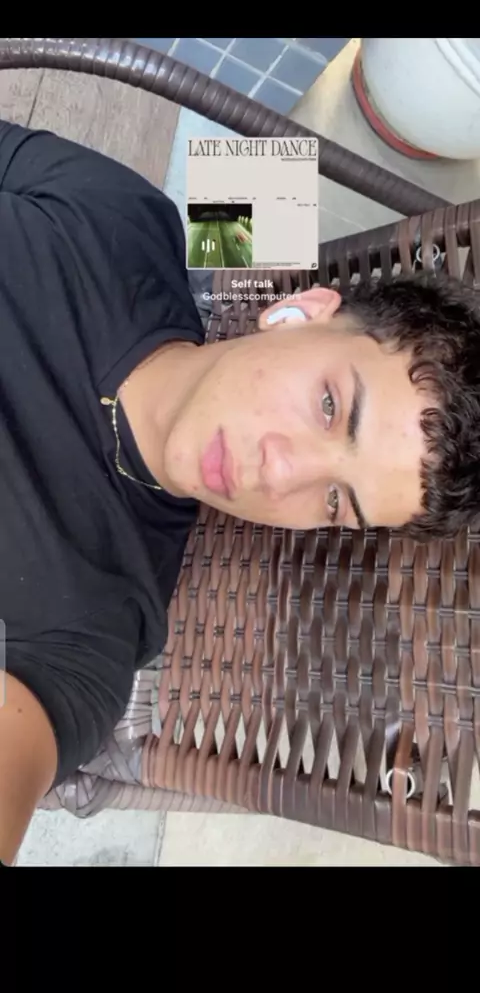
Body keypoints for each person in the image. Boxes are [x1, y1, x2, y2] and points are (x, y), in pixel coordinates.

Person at [0, 119, 479, 866]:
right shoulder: (129, 219)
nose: (279, 475)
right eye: (329, 406)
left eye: (334, 502)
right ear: (299, 313)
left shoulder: (102, 622)